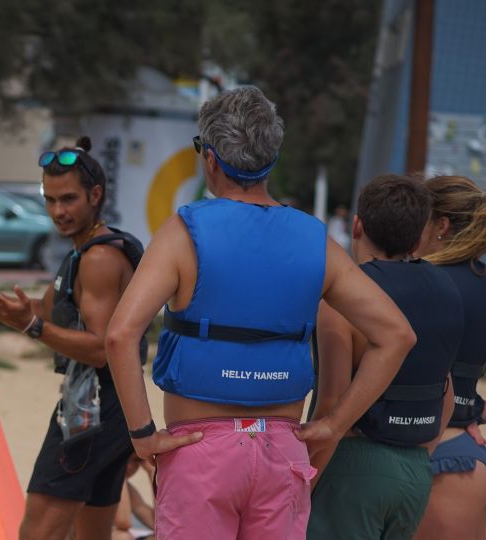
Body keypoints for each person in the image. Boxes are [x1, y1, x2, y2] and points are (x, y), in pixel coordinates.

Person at [104, 86, 415, 539]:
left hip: (199, 452)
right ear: (272, 157)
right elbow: (396, 334)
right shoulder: (313, 238)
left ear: (210, 158)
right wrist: (332, 426)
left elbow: (120, 335)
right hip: (282, 453)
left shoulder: (184, 231)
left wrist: (142, 434)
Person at [0, 137, 196, 540]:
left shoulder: (99, 258)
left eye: (69, 199)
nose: (58, 211)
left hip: (89, 410)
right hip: (112, 410)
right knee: (92, 534)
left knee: (36, 532)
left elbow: (100, 349)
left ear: (96, 195)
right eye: (51, 199)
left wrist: (31, 329)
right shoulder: (84, 250)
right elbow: (42, 309)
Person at [307, 174, 463, 539]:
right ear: (420, 236)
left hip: (353, 463)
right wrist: (417, 460)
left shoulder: (347, 298)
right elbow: (447, 397)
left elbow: (331, 403)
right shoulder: (447, 290)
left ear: (357, 225)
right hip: (415, 470)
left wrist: (305, 483)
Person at [413, 176, 486, 540]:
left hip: (417, 448)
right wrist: (474, 404)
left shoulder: (419, 283)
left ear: (440, 225)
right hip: (470, 449)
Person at [112, 454, 155, 540]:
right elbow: (123, 522)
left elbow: (156, 523)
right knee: (123, 537)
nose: (130, 466)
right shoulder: (101, 481)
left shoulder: (128, 488)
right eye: (125, 460)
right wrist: (118, 470)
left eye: (137, 460)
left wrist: (152, 470)